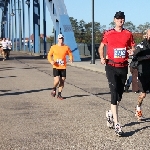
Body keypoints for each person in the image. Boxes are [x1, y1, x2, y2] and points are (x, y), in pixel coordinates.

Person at [99, 11, 135, 136]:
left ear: (124, 20)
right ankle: (117, 124)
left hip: (123, 67)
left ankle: (110, 113)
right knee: (114, 93)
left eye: (122, 19)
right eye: (118, 19)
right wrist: (102, 57)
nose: (120, 20)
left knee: (119, 95)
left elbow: (132, 47)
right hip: (111, 66)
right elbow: (101, 46)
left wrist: (131, 51)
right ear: (114, 20)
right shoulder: (108, 33)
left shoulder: (128, 34)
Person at [47, 34, 73, 100]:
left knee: (62, 81)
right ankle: (54, 88)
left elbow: (70, 54)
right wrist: (51, 61)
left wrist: (71, 58)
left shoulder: (66, 47)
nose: (61, 40)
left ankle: (59, 94)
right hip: (56, 66)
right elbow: (49, 55)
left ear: (63, 39)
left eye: (62, 39)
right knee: (57, 80)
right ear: (57, 39)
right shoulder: (53, 47)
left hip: (63, 67)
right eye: (60, 38)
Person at [133, 29, 150, 121]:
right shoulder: (141, 45)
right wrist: (145, 57)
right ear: (146, 35)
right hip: (142, 72)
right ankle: (138, 108)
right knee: (143, 94)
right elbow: (135, 58)